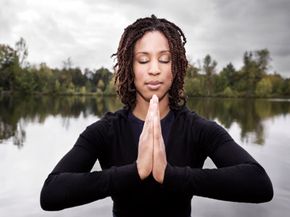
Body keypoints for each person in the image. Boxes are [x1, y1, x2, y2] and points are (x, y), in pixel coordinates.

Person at [40, 15, 273, 217]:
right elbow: (51, 193)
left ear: (177, 67)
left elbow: (259, 184)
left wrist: (169, 175)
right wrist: (135, 171)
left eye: (164, 59)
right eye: (143, 59)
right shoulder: (105, 131)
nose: (154, 69)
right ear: (129, 66)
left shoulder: (197, 129)